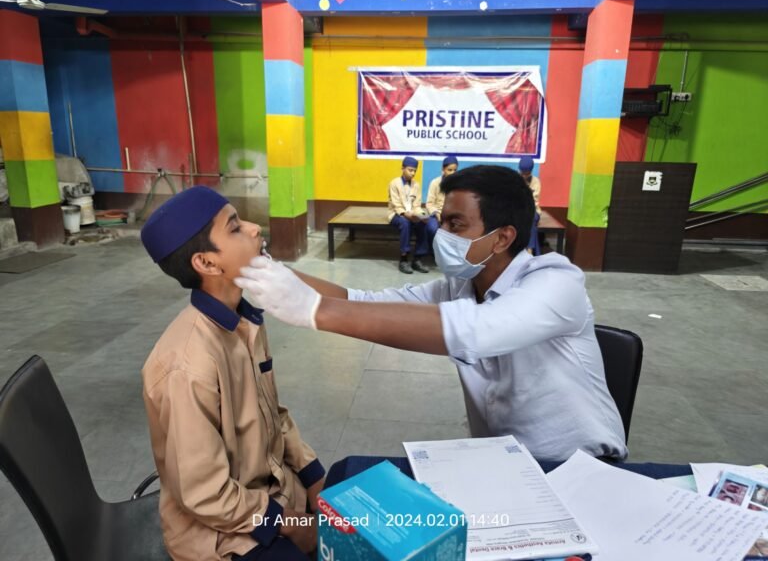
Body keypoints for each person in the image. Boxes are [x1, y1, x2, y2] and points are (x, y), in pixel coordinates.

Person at [236, 166, 628, 463]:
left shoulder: (555, 283)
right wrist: (269, 269)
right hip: (507, 461)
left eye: (456, 224)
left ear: (503, 236)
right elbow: (362, 301)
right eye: (442, 221)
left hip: (581, 464)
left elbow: (476, 331)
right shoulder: (459, 286)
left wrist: (313, 310)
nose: (442, 234)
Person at [140, 186, 324, 561]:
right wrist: (288, 523)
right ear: (207, 264)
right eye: (236, 227)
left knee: (359, 506)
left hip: (269, 492)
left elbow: (275, 414)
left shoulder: (244, 320)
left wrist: (313, 476)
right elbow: (204, 492)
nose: (256, 229)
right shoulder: (186, 366)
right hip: (222, 534)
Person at [388, 156, 429, 274]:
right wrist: (408, 215)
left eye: (415, 170)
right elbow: (396, 205)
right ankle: (404, 259)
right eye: (410, 170)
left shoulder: (416, 185)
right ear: (402, 168)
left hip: (412, 213)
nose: (413, 173)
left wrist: (423, 215)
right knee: (405, 223)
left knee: (424, 223)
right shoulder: (394, 183)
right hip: (396, 213)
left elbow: (417, 205)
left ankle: (417, 259)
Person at [425, 155, 459, 250]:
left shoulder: (459, 185)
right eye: (449, 170)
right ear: (443, 169)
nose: (452, 173)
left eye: (455, 170)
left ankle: (449, 254)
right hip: (436, 214)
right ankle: (433, 251)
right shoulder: (435, 183)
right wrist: (436, 214)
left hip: (452, 215)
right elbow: (429, 203)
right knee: (432, 229)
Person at [518, 157, 541, 255]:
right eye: (522, 173)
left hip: (532, 210)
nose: (524, 175)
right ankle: (529, 250)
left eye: (526, 173)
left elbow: (534, 201)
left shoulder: (536, 182)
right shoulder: (515, 179)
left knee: (530, 218)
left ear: (530, 171)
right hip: (517, 209)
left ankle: (530, 250)